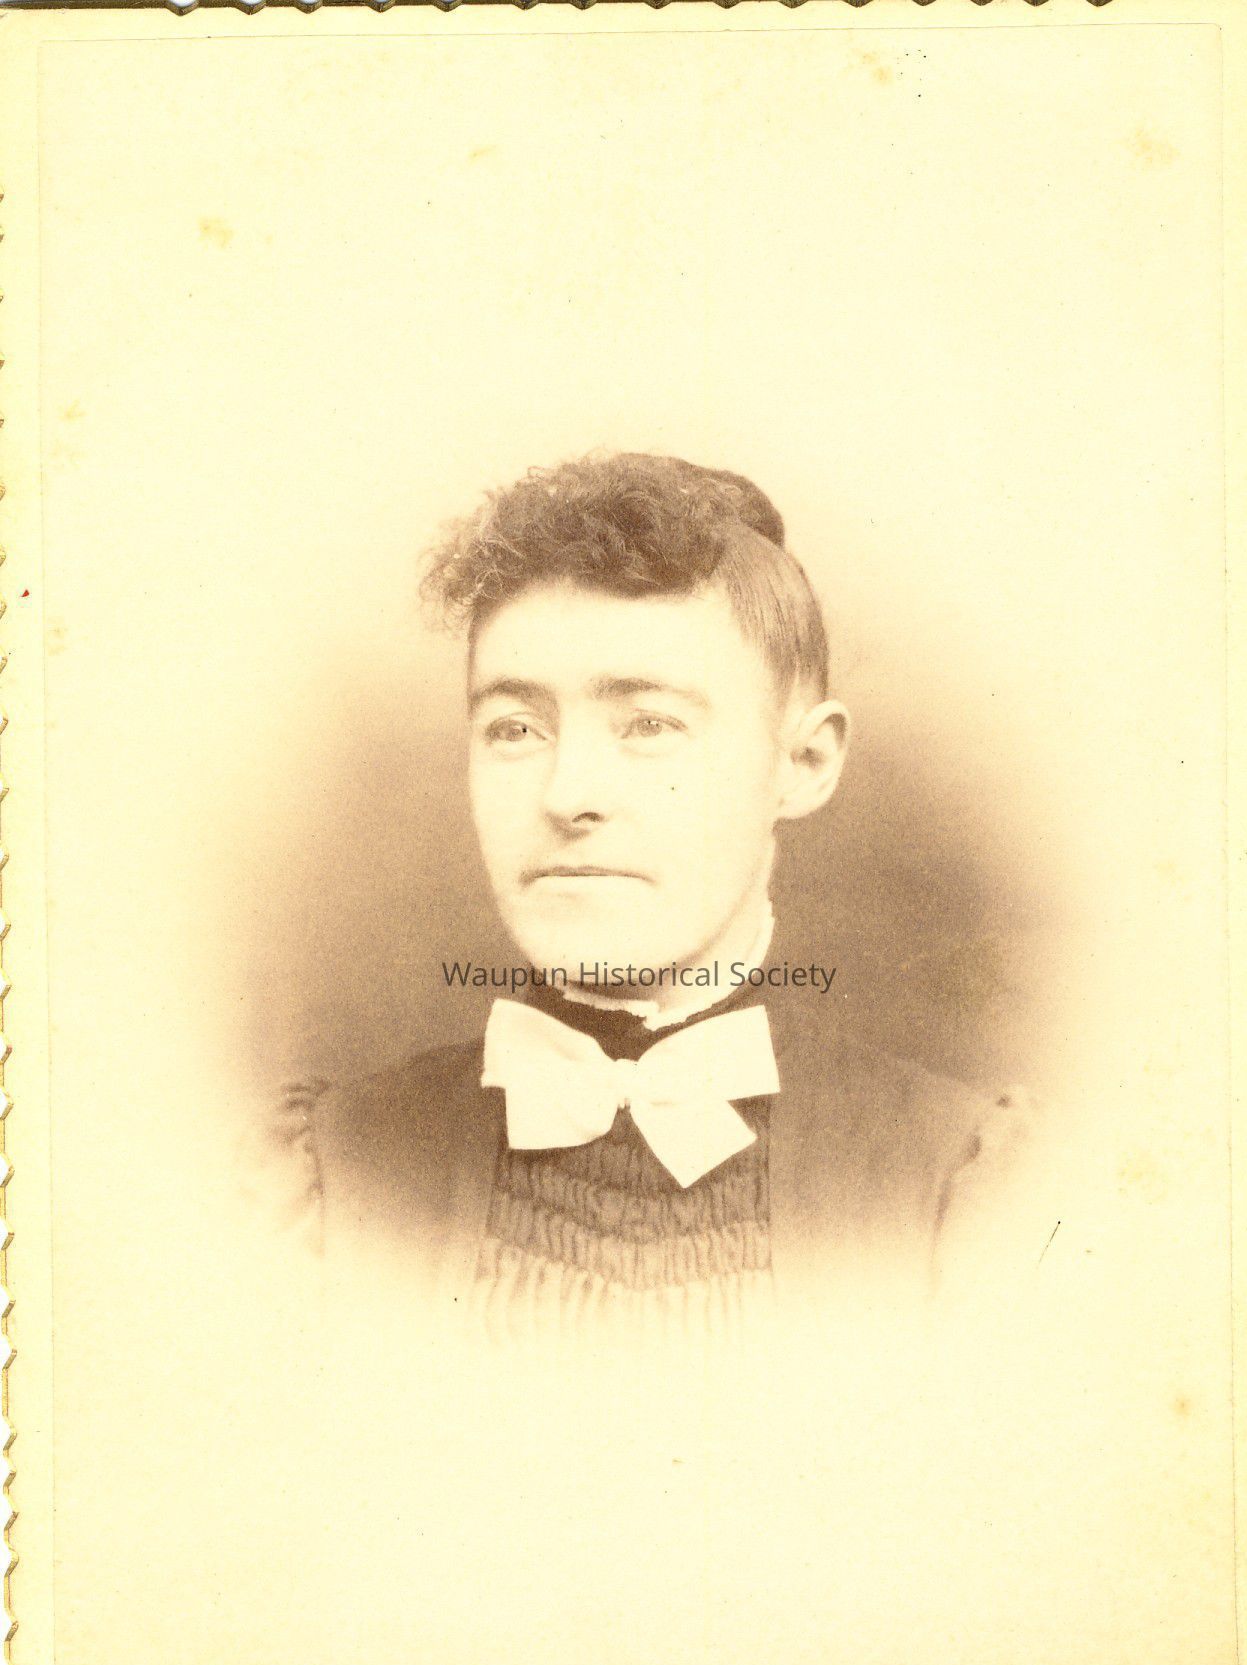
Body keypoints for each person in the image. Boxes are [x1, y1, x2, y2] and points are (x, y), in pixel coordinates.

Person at [252, 451, 1032, 1338]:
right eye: (515, 728)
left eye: (650, 725)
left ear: (803, 762)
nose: (566, 794)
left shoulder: (963, 1189)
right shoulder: (326, 1177)